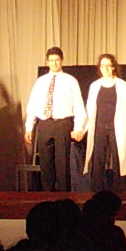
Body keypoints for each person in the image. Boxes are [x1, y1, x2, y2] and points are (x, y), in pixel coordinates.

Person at [80, 53, 126, 192]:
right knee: (97, 160)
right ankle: (96, 192)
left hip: (116, 128)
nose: (105, 68)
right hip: (98, 127)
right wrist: (81, 129)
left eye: (108, 65)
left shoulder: (123, 86)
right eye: (102, 66)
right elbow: (89, 109)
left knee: (119, 160)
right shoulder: (95, 86)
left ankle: (121, 192)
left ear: (113, 67)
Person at [23, 46, 86, 192]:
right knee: (46, 164)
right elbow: (33, 104)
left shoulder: (70, 81)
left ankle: (63, 197)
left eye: (57, 60)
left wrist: (79, 127)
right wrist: (29, 127)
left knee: (62, 164)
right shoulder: (41, 81)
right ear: (47, 62)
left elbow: (78, 105)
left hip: (63, 123)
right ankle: (47, 195)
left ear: (62, 61)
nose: (54, 63)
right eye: (51, 60)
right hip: (45, 124)